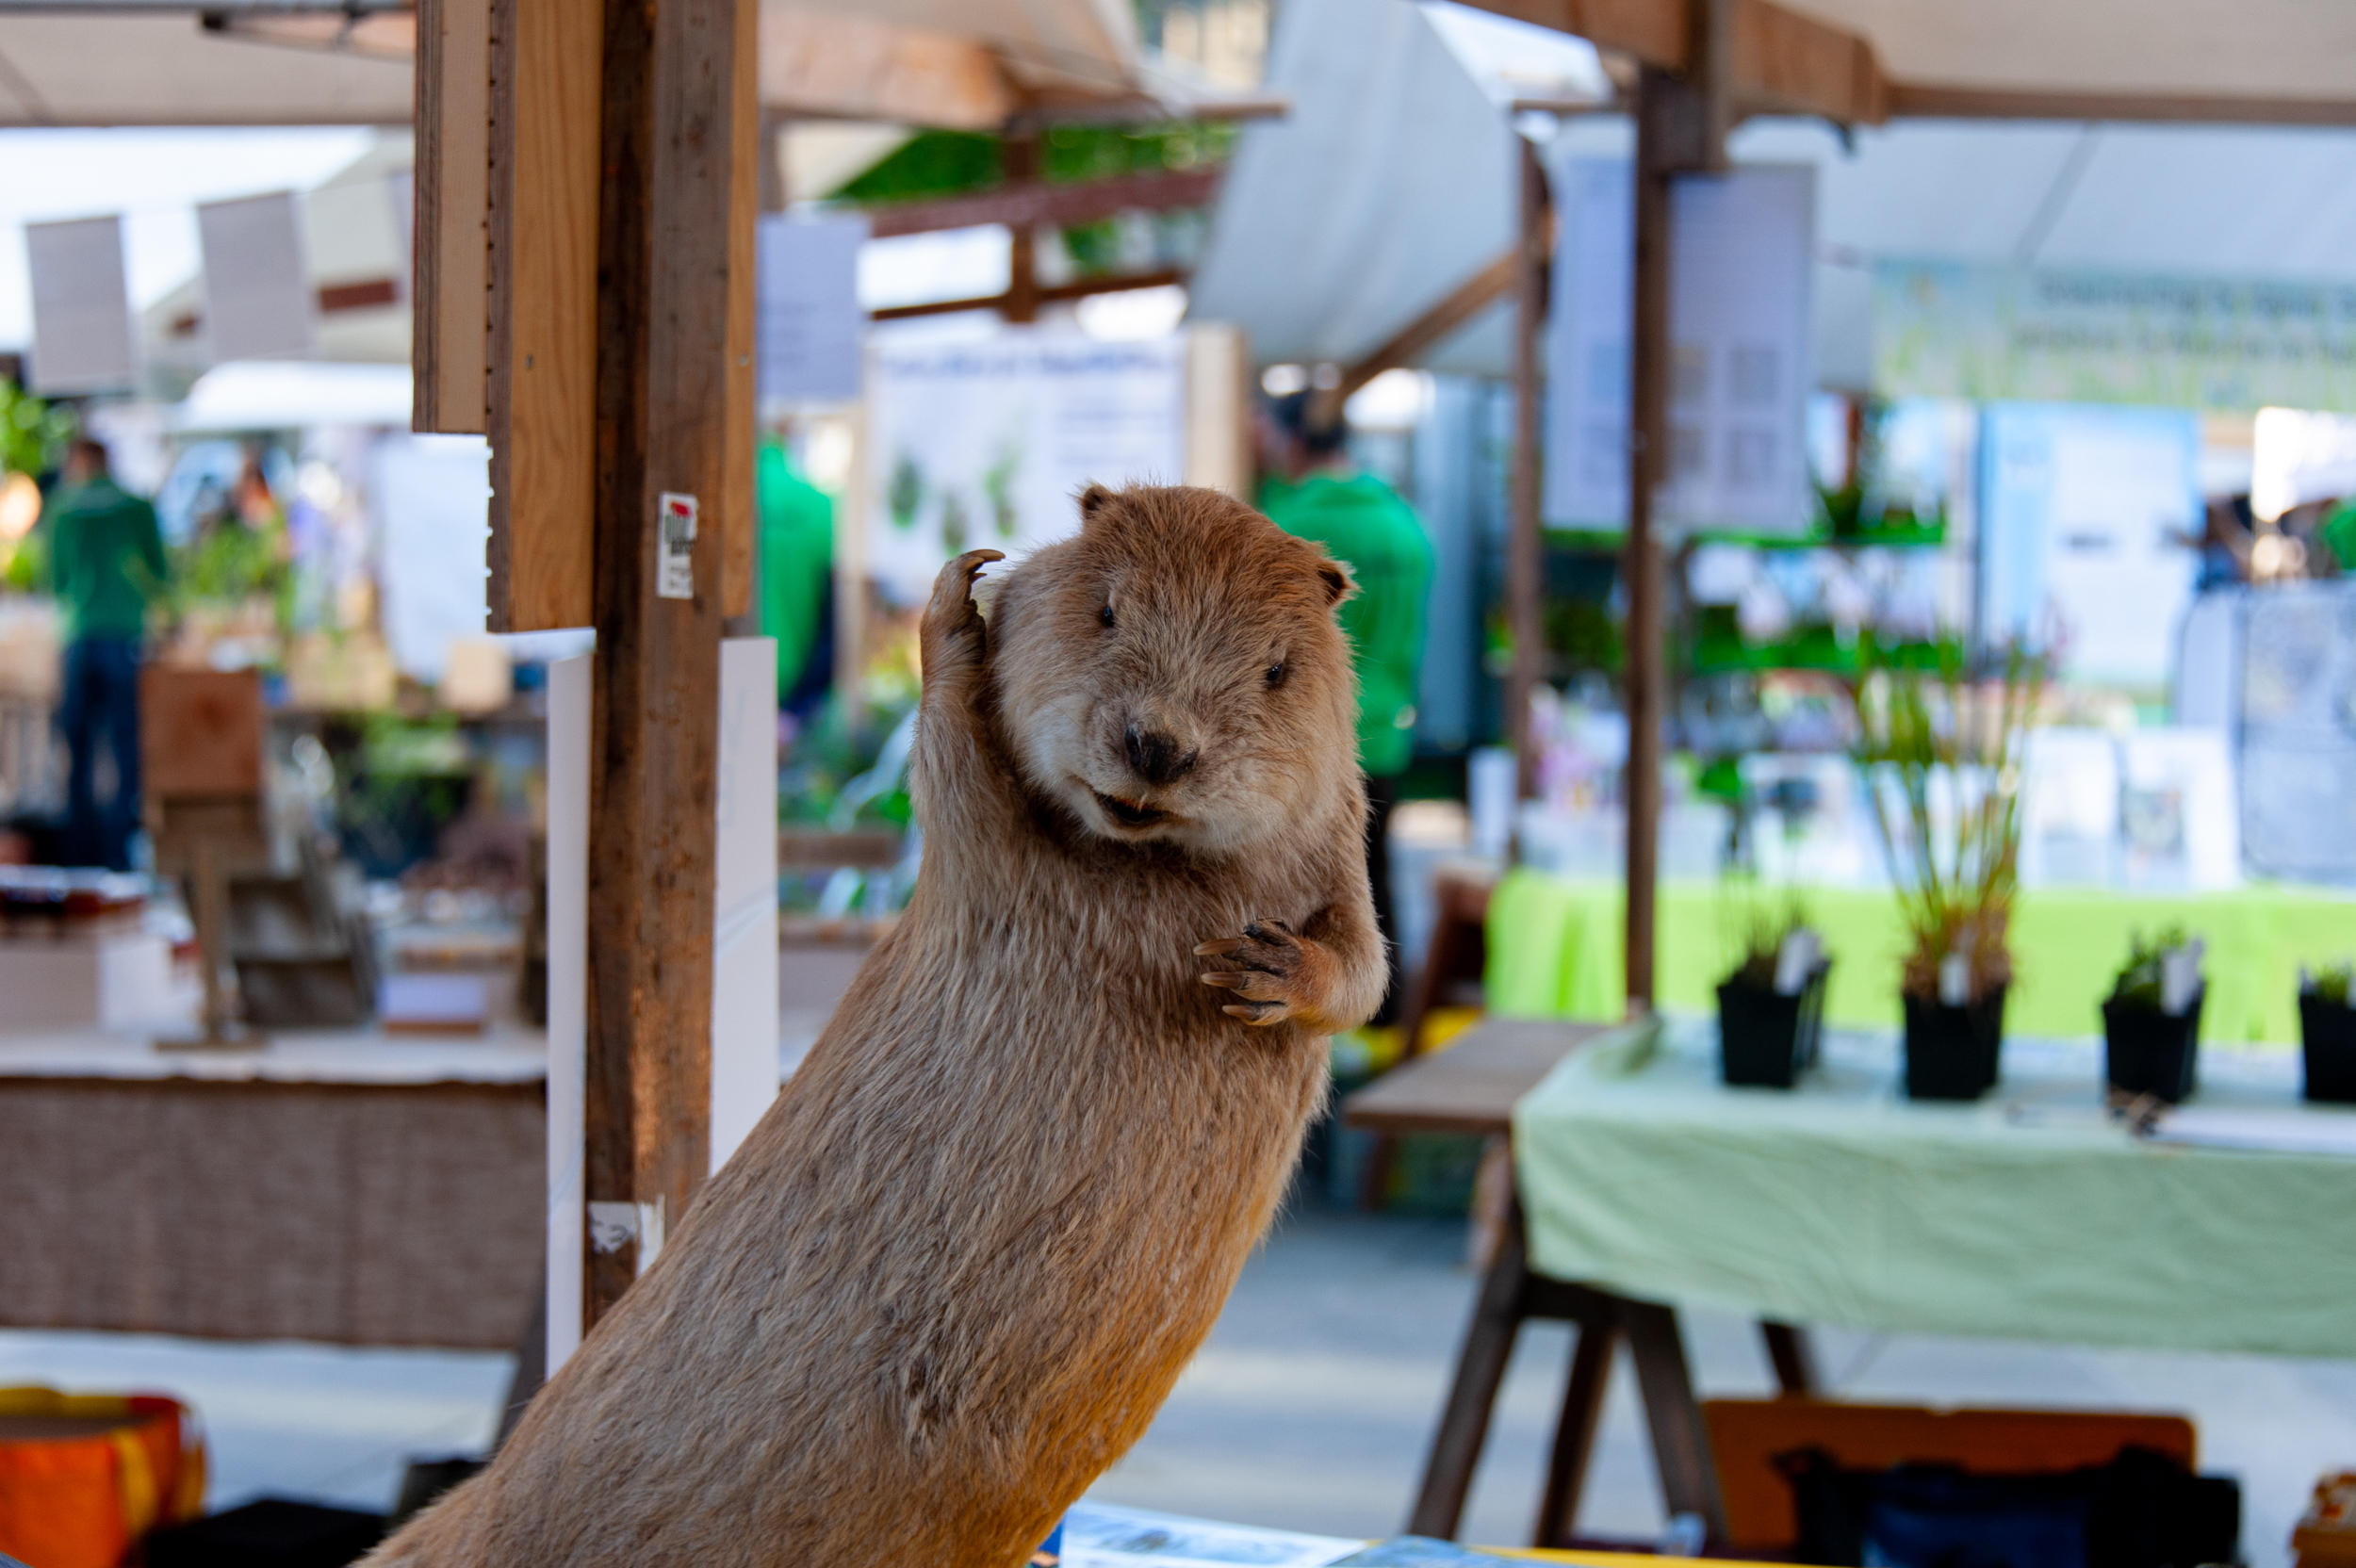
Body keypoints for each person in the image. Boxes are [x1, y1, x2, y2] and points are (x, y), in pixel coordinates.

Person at [1255, 389, 1433, 1027]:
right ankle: (1388, 1023)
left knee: (1301, 894)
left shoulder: (1281, 522)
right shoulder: (1403, 524)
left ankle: (1328, 1031)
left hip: (1309, 742)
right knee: (1375, 883)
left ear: (1292, 442)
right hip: (1387, 731)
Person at [46, 437, 168, 870]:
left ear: (79, 461)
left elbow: (57, 581)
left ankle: (79, 859)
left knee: (77, 752)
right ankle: (121, 858)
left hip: (78, 636)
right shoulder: (135, 507)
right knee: (124, 749)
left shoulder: (63, 508)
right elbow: (158, 573)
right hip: (123, 636)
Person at [757, 436, 836, 729]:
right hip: (794, 697)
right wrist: (796, 709)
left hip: (727, 685)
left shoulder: (721, 493)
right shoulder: (823, 504)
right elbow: (834, 620)